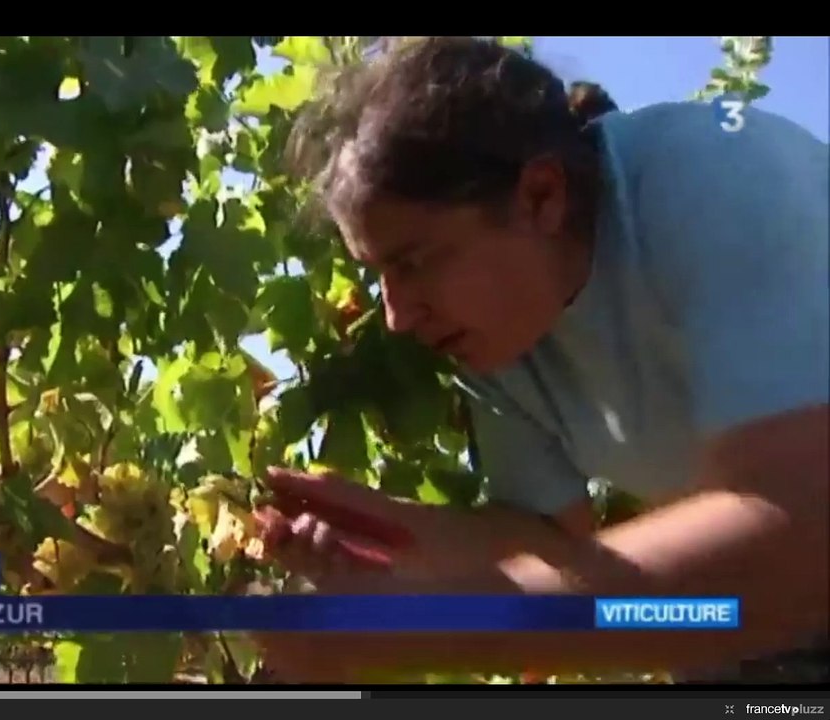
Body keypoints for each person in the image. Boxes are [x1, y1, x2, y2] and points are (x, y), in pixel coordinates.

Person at [251, 36, 829, 683]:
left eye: (411, 263)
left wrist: (433, 631)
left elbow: (797, 537)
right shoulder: (501, 336)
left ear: (540, 196)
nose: (395, 316)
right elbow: (552, 545)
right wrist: (388, 539)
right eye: (379, 276)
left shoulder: (718, 181)